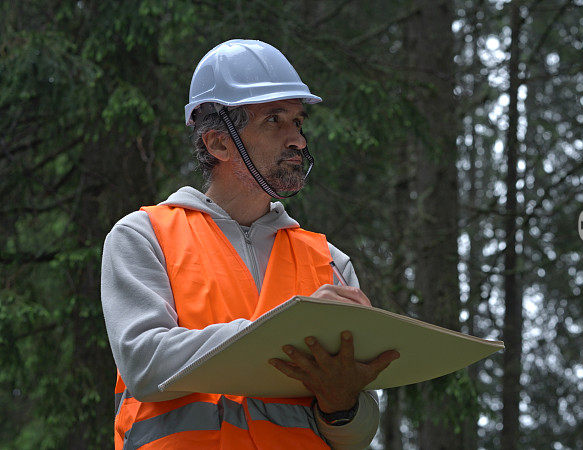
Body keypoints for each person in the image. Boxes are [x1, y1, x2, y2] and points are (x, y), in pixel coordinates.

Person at [101, 39, 399, 449]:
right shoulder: (144, 236)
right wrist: (284, 331)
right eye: (274, 120)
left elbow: (359, 434)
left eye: (298, 121)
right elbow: (145, 365)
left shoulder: (328, 262)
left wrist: (341, 404)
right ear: (218, 144)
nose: (297, 139)